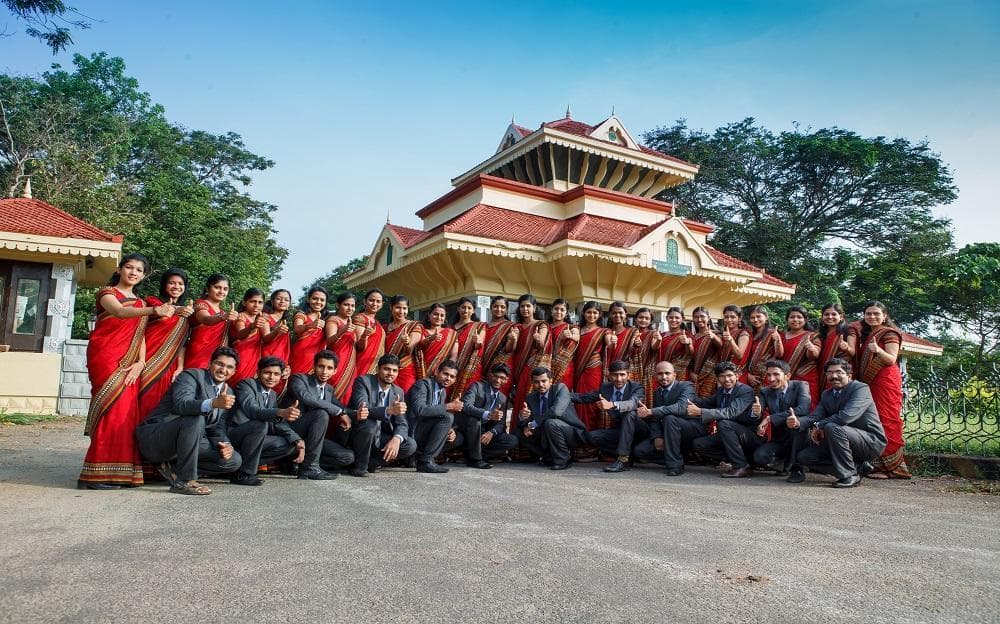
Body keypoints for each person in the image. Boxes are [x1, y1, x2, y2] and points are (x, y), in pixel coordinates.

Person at [80, 253, 173, 489]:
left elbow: (140, 335)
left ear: (143, 275)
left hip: (131, 364)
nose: (133, 272)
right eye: (129, 267)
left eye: (139, 270)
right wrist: (155, 312)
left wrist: (141, 362)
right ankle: (93, 475)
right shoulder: (107, 293)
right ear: (120, 269)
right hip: (107, 358)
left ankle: (120, 474)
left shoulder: (140, 303)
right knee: (109, 413)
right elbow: (119, 312)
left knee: (125, 416)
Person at [135, 346, 244, 495]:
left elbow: (217, 427)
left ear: (233, 371)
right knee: (196, 418)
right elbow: (182, 405)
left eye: (229, 367)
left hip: (191, 440)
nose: (223, 370)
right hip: (158, 436)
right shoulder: (191, 376)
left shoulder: (228, 391)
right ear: (210, 364)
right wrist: (213, 403)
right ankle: (185, 481)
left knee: (233, 460)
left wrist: (226, 445)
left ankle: (173, 468)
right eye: (219, 364)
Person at [794, 358, 888, 488]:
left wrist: (819, 425)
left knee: (832, 427)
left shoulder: (860, 388)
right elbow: (815, 416)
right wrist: (797, 422)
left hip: (869, 441)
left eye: (839, 372)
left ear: (848, 375)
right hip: (840, 440)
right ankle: (858, 468)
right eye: (829, 373)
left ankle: (849, 475)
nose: (834, 376)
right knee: (805, 457)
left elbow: (846, 417)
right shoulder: (827, 394)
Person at [847, 301, 910, 479]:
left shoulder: (889, 333)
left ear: (885, 315)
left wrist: (877, 350)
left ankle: (894, 468)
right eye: (868, 314)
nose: (872, 317)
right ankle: (877, 464)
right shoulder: (867, 333)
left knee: (887, 419)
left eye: (876, 313)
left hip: (885, 379)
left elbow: (891, 359)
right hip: (872, 382)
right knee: (874, 420)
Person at [229, 356, 305, 485]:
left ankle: (238, 466)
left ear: (281, 376)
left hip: (254, 440)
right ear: (258, 373)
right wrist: (280, 412)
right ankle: (245, 474)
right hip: (236, 434)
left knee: (290, 444)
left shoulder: (272, 395)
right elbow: (252, 410)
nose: (271, 377)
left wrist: (297, 439)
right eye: (267, 373)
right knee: (260, 424)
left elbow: (276, 423)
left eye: (276, 374)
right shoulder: (246, 385)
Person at [279, 350, 354, 479]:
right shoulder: (299, 379)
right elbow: (307, 398)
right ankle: (310, 468)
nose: (324, 371)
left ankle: (298, 464)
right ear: (314, 367)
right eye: (321, 366)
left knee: (347, 457)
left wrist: (359, 413)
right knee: (321, 414)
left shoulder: (329, 389)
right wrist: (339, 412)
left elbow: (341, 407)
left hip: (314, 438)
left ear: (334, 371)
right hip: (292, 430)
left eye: (329, 368)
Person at [347, 354, 417, 476]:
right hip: (360, 433)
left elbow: (402, 423)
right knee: (370, 424)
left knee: (410, 445)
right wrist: (389, 410)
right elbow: (363, 409)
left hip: (381, 437)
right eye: (387, 369)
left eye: (394, 370)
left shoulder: (398, 391)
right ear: (378, 369)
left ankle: (372, 463)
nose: (391, 373)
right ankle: (359, 467)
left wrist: (396, 439)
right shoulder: (363, 382)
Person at [138, 267, 194, 420]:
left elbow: (183, 342)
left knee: (163, 405)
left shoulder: (187, 313)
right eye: (171, 283)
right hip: (149, 359)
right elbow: (163, 312)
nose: (176, 287)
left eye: (180, 284)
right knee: (144, 400)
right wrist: (179, 310)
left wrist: (180, 367)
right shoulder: (152, 301)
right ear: (164, 284)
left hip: (171, 364)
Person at [572, 360, 646, 473]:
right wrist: (559, 393)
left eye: (622, 374)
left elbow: (633, 403)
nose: (619, 378)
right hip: (620, 431)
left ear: (628, 375)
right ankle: (628, 454)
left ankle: (623, 459)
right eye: (615, 375)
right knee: (592, 436)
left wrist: (611, 404)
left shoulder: (637, 387)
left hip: (640, 431)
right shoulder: (606, 388)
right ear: (609, 375)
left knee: (630, 413)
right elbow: (584, 398)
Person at [689, 361, 759, 478]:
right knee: (699, 444)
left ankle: (741, 466)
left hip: (748, 435)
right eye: (722, 376)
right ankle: (743, 460)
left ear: (737, 376)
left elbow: (731, 412)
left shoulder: (745, 390)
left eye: (729, 375)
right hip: (729, 434)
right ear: (717, 379)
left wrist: (700, 412)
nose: (726, 379)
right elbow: (706, 403)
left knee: (724, 423)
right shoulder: (722, 391)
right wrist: (687, 396)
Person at [516, 367, 588, 470]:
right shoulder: (531, 397)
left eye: (543, 381)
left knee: (550, 423)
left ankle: (563, 459)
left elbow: (556, 411)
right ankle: (548, 457)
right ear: (532, 383)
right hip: (547, 432)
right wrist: (523, 418)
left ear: (551, 380)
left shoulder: (560, 389)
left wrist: (533, 424)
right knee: (519, 432)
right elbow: (528, 420)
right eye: (536, 382)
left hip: (571, 432)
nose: (540, 385)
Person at [751, 359, 812, 477]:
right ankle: (785, 464)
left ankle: (797, 467)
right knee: (759, 457)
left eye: (776, 374)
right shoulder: (765, 391)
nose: (771, 379)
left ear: (787, 375)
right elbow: (758, 413)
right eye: (768, 375)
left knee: (797, 424)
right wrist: (756, 413)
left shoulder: (801, 386)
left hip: (798, 437)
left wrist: (770, 418)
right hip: (779, 439)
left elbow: (803, 409)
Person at [636, 361, 697, 476]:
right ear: (655, 376)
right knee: (640, 451)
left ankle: (675, 465)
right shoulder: (657, 393)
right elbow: (655, 419)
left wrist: (651, 411)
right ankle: (678, 457)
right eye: (660, 374)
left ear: (674, 375)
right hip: (668, 431)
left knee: (669, 418)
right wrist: (657, 437)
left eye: (667, 373)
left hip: (690, 427)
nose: (663, 377)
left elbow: (681, 407)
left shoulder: (686, 386)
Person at [406, 360, 464, 473]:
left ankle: (419, 455)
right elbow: (420, 410)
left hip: (425, 430)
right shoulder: (422, 385)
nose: (448, 378)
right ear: (437, 372)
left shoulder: (442, 392)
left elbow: (437, 414)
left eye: (452, 377)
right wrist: (448, 406)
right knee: (448, 417)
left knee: (458, 438)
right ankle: (425, 462)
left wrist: (449, 429)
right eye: (445, 374)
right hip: (413, 430)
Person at [456, 363, 519, 465]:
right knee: (475, 421)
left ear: (506, 380)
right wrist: (488, 414)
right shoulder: (477, 387)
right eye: (496, 376)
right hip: (468, 428)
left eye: (502, 378)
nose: (498, 380)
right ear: (490, 375)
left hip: (484, 432)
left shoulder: (502, 398)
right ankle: (476, 459)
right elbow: (466, 406)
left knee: (512, 440)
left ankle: (472, 455)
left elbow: (501, 423)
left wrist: (492, 432)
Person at [572, 301, 612, 430]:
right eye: (589, 312)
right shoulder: (577, 329)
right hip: (578, 370)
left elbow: (610, 345)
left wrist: (613, 342)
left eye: (595, 313)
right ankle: (579, 432)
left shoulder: (604, 331)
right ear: (583, 313)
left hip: (594, 371)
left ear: (600, 315)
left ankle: (591, 434)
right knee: (578, 401)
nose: (592, 315)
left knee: (591, 400)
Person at [509, 294, 550, 417]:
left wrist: (538, 339)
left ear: (535, 308)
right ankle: (517, 430)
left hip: (532, 368)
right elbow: (510, 349)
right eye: (522, 306)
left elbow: (542, 345)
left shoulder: (541, 325)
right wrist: (513, 340)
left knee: (529, 399)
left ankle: (531, 429)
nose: (525, 309)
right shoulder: (516, 327)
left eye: (528, 306)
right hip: (517, 367)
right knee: (518, 400)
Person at [186, 273, 237, 370]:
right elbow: (206, 319)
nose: (222, 291)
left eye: (225, 289)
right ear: (207, 288)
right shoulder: (200, 304)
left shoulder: (223, 312)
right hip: (198, 356)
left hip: (216, 359)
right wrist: (223, 317)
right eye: (217, 287)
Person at [781, 306, 820, 408]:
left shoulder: (812, 336)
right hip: (783, 377)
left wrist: (811, 348)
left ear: (805, 320)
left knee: (805, 406)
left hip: (805, 376)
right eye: (792, 317)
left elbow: (814, 355)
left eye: (799, 317)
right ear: (787, 319)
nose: (795, 320)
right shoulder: (781, 336)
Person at [383, 294, 423, 392]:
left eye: (404, 308)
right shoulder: (384, 328)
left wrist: (407, 342)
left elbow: (409, 350)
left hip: (405, 370)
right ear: (391, 308)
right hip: (385, 370)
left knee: (405, 398)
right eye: (398, 307)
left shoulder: (414, 326)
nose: (401, 311)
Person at [229, 288, 268, 384]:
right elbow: (240, 334)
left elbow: (267, 338)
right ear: (244, 302)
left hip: (254, 359)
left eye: (260, 302)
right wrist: (252, 326)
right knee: (237, 382)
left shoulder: (261, 319)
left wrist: (278, 331)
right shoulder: (240, 316)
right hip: (241, 356)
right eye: (252, 301)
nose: (256, 305)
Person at [324, 292, 358, 402]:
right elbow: (329, 342)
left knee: (349, 393)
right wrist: (342, 331)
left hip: (351, 364)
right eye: (346, 305)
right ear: (338, 305)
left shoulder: (351, 323)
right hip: (337, 362)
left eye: (352, 306)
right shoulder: (333, 320)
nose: (350, 308)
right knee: (335, 390)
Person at [450, 297, 486, 400]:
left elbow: (480, 344)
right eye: (463, 307)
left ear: (473, 310)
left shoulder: (479, 326)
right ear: (458, 309)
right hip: (451, 366)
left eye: (469, 308)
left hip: (470, 368)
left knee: (467, 397)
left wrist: (478, 341)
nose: (466, 310)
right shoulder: (450, 328)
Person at [480, 296, 518, 394]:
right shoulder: (483, 326)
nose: (499, 309)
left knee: (499, 398)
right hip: (482, 366)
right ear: (491, 308)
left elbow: (510, 349)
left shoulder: (510, 326)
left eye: (502, 307)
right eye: (495, 306)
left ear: (506, 310)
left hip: (502, 368)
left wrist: (512, 339)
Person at [288, 286, 329, 375]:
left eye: (322, 300)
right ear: (308, 300)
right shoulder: (301, 315)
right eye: (315, 298)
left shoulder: (326, 319)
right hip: (301, 356)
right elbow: (297, 328)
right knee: (299, 382)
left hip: (318, 358)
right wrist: (311, 325)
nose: (318, 302)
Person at [414, 302, 459, 379]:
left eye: (442, 315)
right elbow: (417, 347)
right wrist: (430, 339)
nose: (439, 317)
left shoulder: (452, 334)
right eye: (435, 314)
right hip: (419, 370)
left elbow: (453, 356)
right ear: (429, 315)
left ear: (445, 318)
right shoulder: (420, 329)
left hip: (441, 374)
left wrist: (446, 372)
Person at [814, 303, 851, 394]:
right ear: (822, 317)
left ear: (841, 316)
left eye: (834, 314)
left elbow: (853, 352)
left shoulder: (847, 331)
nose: (830, 317)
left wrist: (846, 348)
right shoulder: (820, 334)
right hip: (823, 370)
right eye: (826, 314)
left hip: (841, 371)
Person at [744, 305, 784, 390]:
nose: (755, 320)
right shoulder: (749, 334)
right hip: (750, 376)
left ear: (766, 317)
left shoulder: (772, 333)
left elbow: (779, 354)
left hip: (767, 375)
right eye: (752, 317)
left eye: (758, 316)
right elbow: (746, 357)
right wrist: (748, 375)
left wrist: (777, 340)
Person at [260, 289, 293, 386]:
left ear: (289, 304)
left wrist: (287, 364)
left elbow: (286, 346)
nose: (282, 301)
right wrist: (277, 331)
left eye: (286, 300)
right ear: (272, 301)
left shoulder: (285, 321)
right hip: (267, 356)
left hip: (282, 359)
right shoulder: (266, 318)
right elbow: (266, 338)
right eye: (279, 299)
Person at [629, 307, 662, 404]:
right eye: (641, 317)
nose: (643, 320)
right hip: (631, 371)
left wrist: (659, 340)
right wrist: (634, 344)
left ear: (651, 321)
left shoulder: (653, 334)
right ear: (635, 318)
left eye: (647, 318)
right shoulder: (630, 333)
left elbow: (654, 347)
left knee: (646, 400)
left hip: (647, 372)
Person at [688, 307, 722, 398]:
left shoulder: (717, 334)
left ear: (708, 318)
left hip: (710, 374)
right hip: (694, 376)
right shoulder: (693, 337)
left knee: (707, 402)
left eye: (702, 316)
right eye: (696, 317)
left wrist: (713, 337)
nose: (699, 319)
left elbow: (721, 346)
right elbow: (690, 357)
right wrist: (691, 372)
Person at [353, 288, 386, 378]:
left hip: (377, 365)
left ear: (382, 305)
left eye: (378, 301)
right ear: (365, 301)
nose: (375, 304)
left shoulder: (378, 324)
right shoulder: (360, 319)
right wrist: (364, 336)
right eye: (371, 300)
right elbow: (360, 346)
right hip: (362, 363)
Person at [548, 298, 579, 390]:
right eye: (556, 309)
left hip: (564, 368)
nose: (558, 312)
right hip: (546, 365)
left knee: (561, 395)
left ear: (566, 313)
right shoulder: (545, 327)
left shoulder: (571, 327)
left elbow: (577, 337)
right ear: (551, 310)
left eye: (562, 310)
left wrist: (570, 336)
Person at [658, 307, 693, 383]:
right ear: (666, 318)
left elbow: (690, 353)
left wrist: (687, 343)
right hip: (660, 373)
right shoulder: (661, 335)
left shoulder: (687, 335)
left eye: (677, 318)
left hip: (678, 374)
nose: (674, 320)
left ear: (683, 319)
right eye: (671, 317)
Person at [718, 304, 751, 377]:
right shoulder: (721, 334)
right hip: (721, 373)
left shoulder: (743, 333)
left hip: (735, 374)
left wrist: (731, 340)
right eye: (726, 317)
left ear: (739, 318)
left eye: (732, 317)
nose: (729, 320)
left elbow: (739, 355)